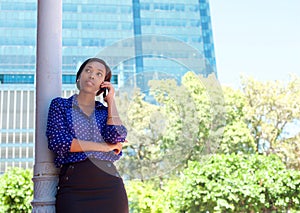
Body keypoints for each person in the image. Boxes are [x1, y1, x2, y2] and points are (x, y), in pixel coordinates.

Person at [46, 58, 129, 213]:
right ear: (79, 76)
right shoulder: (60, 105)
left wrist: (111, 101)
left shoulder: (105, 112)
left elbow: (117, 136)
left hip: (110, 189)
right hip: (73, 188)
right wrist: (105, 147)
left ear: (102, 85)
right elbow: (60, 142)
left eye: (99, 74)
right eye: (88, 70)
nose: (92, 76)